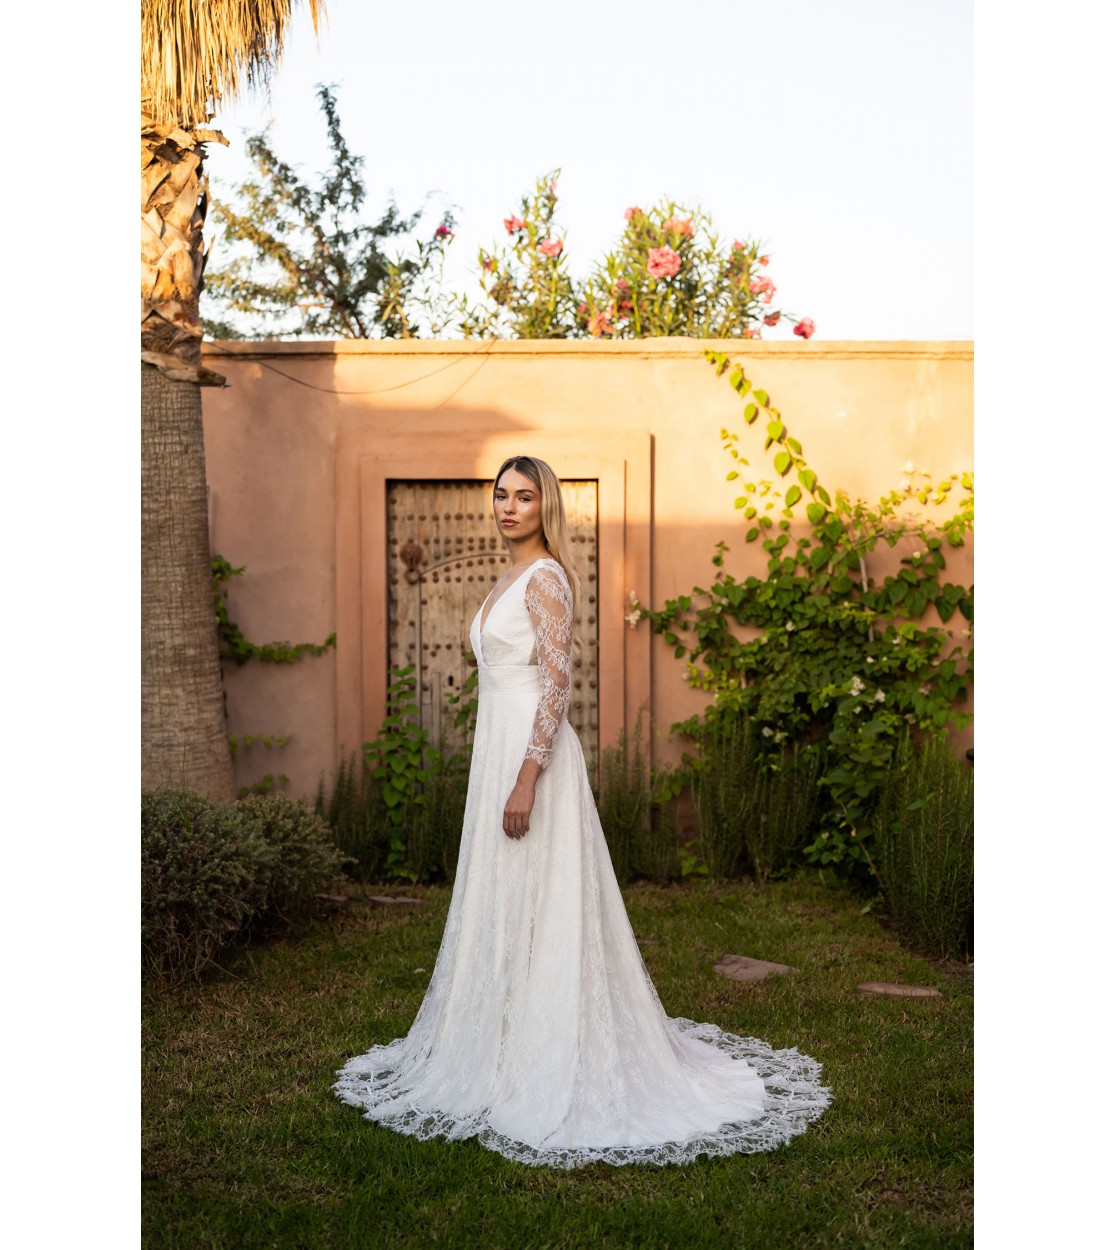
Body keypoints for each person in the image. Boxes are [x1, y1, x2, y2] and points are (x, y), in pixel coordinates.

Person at [334, 455, 831, 1167]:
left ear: (546, 506)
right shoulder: (507, 577)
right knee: (506, 894)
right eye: (501, 495)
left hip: (529, 759)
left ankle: (550, 1044)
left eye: (523, 496)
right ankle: (502, 1035)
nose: (508, 507)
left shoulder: (545, 577)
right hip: (497, 747)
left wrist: (526, 779)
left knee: (544, 895)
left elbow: (558, 683)